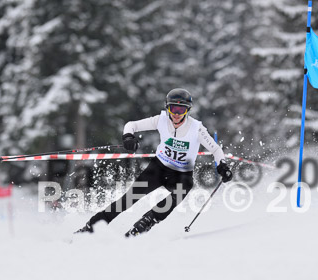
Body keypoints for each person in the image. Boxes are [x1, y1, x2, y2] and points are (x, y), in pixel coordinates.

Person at [76, 88, 233, 236]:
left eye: (182, 110)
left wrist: (222, 165)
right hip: (158, 169)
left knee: (183, 189)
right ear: (167, 108)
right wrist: (128, 137)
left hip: (181, 174)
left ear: (188, 110)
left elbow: (216, 150)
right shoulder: (161, 120)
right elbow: (131, 125)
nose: (177, 114)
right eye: (173, 109)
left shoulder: (197, 128)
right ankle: (89, 228)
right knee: (127, 200)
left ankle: (143, 226)